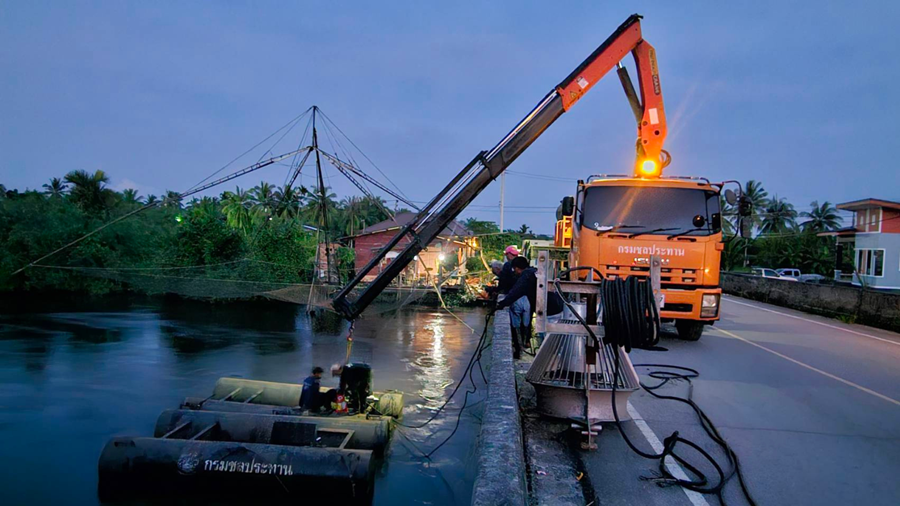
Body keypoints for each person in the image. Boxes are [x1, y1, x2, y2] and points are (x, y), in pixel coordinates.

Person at [496, 256, 537, 359]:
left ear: (517, 268)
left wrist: (502, 304)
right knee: (526, 324)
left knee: (516, 327)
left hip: (528, 305)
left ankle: (519, 350)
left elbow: (515, 292)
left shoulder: (525, 276)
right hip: (533, 305)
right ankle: (526, 343)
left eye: (515, 269)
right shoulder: (534, 272)